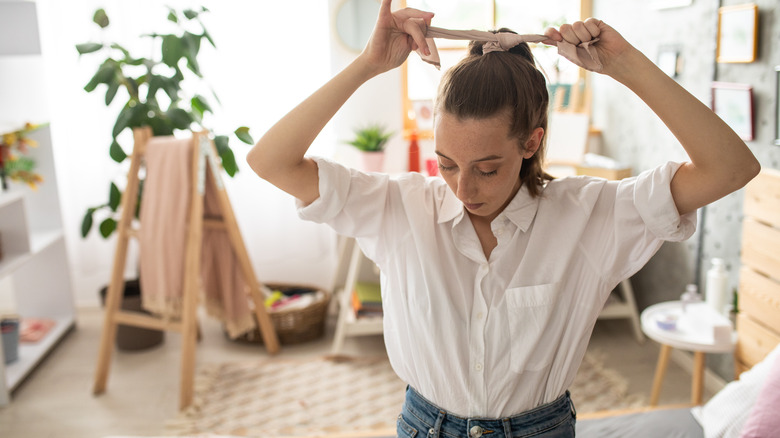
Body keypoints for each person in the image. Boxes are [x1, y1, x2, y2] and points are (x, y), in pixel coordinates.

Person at [247, 1, 760, 436]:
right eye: (446, 164)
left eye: (487, 169)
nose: (463, 189)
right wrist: (366, 66)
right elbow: (270, 161)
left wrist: (625, 64)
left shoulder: (590, 216)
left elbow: (732, 168)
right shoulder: (398, 208)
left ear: (531, 143)